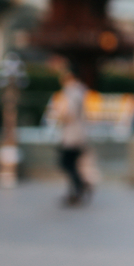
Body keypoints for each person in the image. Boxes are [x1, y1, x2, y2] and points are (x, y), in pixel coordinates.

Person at [52, 61, 91, 207]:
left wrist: (59, 115)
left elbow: (70, 114)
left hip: (73, 134)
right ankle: (76, 189)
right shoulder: (79, 90)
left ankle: (79, 187)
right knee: (71, 164)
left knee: (66, 163)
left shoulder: (72, 92)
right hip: (77, 133)